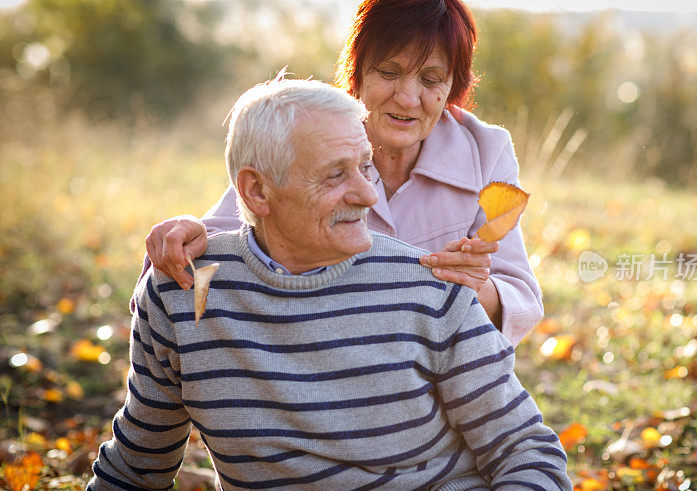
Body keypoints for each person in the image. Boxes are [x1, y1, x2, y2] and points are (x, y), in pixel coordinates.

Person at [71, 79, 570, 491]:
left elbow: (530, 454)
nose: (367, 195)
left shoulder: (429, 286)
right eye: (336, 175)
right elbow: (139, 463)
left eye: (365, 167)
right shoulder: (181, 295)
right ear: (257, 191)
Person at [144, 0, 542, 347]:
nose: (407, 98)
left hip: (434, 381)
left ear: (453, 84)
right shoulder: (311, 134)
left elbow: (519, 297)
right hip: (321, 369)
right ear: (357, 72)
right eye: (388, 72)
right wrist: (186, 235)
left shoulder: (486, 151)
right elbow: (216, 242)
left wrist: (474, 288)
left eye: (431, 79)